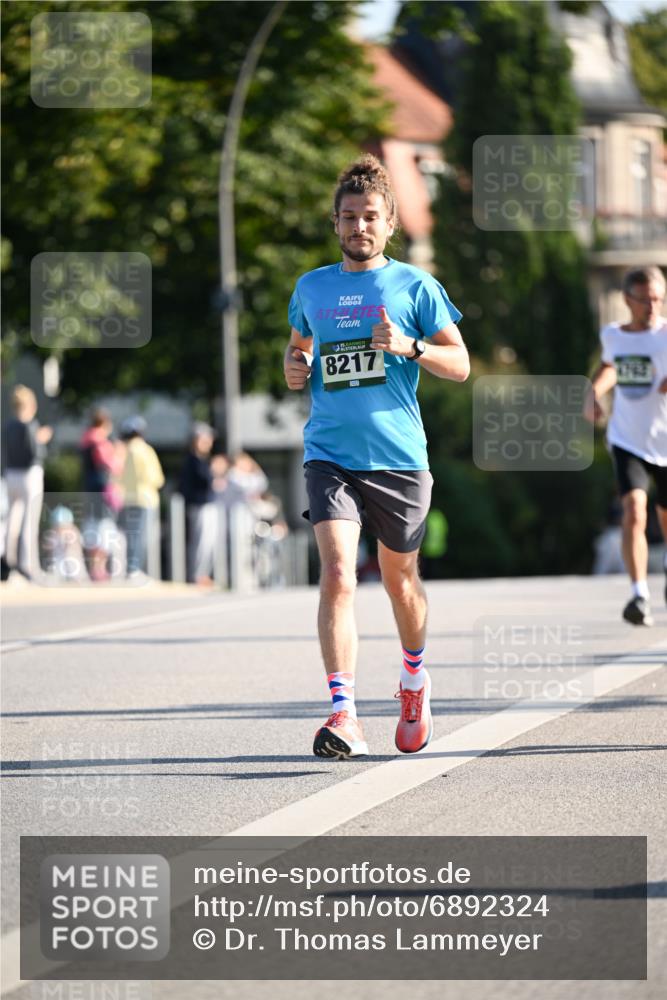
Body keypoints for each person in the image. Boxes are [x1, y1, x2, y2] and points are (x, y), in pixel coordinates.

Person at [284, 154, 469, 759]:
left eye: (369, 217)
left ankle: (414, 677)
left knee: (400, 582)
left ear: (389, 222)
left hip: (398, 456)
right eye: (348, 217)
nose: (358, 227)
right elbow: (299, 350)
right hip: (329, 453)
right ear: (334, 224)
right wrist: (295, 366)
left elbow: (461, 365)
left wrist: (411, 345)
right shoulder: (311, 287)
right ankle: (344, 715)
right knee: (338, 573)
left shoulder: (416, 286)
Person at [585, 265, 667, 626]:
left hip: (665, 440)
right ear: (627, 300)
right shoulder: (614, 335)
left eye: (658, 299)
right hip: (627, 438)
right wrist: (594, 392)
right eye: (645, 299)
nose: (652, 307)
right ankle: (639, 594)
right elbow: (610, 367)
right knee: (634, 510)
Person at [2, 385, 53, 580]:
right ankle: (27, 565)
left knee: (11, 519)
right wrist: (41, 439)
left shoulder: (7, 425)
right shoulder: (30, 425)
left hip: (10, 474)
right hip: (29, 475)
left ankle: (8, 562)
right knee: (29, 521)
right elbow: (35, 453)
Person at [79, 408, 125, 582]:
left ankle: (95, 567)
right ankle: (98, 569)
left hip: (89, 489)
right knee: (103, 529)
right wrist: (119, 453)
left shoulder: (85, 440)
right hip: (101, 491)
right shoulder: (100, 442)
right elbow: (112, 466)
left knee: (92, 528)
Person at [118, 416, 165, 580]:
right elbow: (157, 478)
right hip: (145, 498)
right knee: (140, 536)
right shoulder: (144, 450)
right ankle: (134, 570)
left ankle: (131, 569)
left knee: (131, 535)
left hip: (127, 497)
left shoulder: (123, 449)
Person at [179, 422, 218, 585]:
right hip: (199, 505)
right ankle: (197, 575)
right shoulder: (193, 461)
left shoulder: (202, 460)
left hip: (206, 505)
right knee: (200, 542)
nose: (209, 442)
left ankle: (202, 574)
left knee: (208, 542)